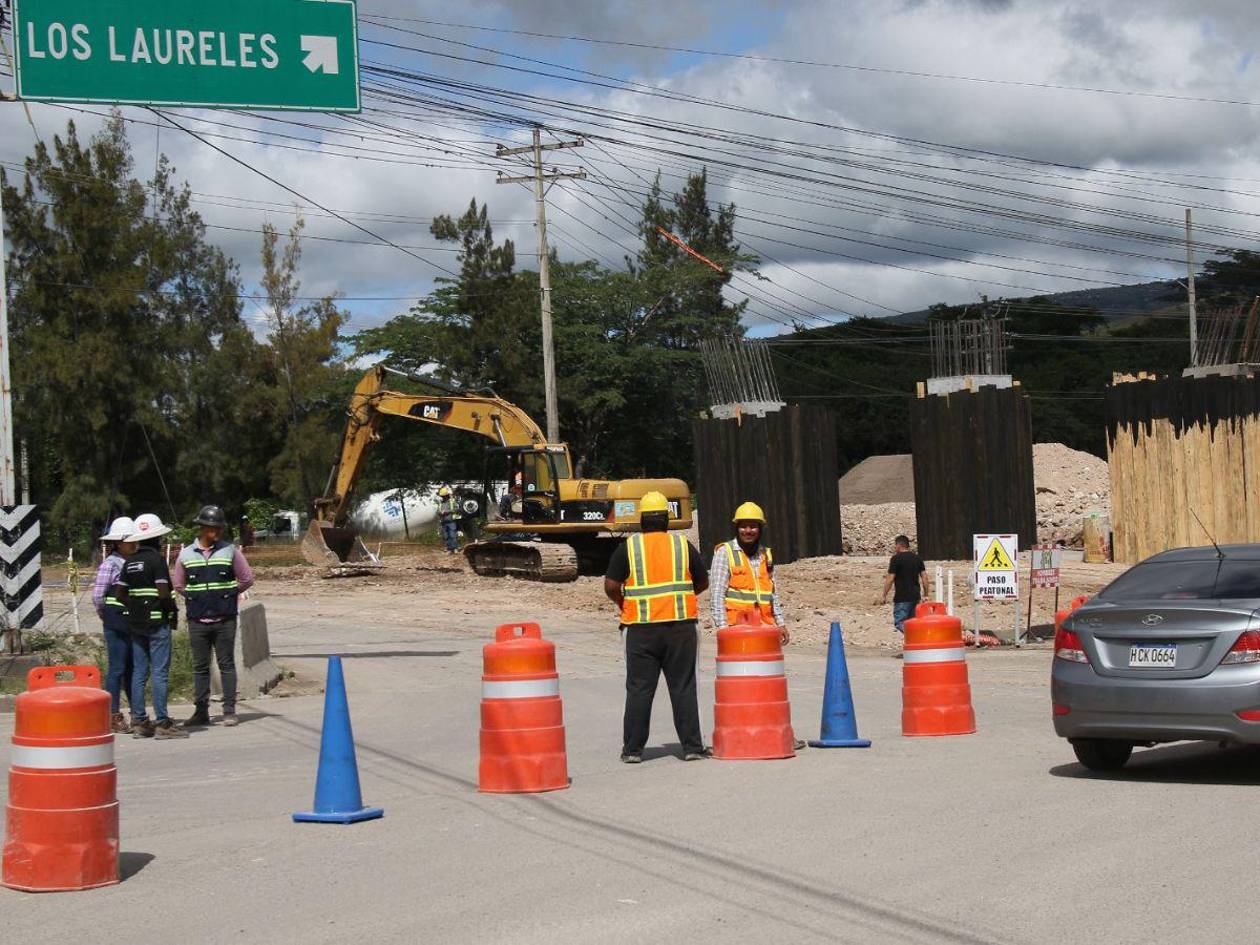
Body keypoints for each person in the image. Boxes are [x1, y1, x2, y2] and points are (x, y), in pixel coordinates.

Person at [604, 491, 710, 764]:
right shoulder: (682, 545)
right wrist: (680, 599)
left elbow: (611, 586)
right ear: (666, 519)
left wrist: (625, 605)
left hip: (640, 629)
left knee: (639, 689)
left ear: (642, 521)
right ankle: (692, 748)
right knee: (683, 687)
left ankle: (633, 751)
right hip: (680, 627)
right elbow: (702, 582)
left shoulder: (628, 547)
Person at [175, 505, 255, 728]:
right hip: (197, 620)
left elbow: (247, 579)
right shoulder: (186, 554)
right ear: (202, 528)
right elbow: (179, 584)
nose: (217, 533)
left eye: (219, 529)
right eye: (212, 529)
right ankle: (201, 711)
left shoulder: (230, 551)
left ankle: (229, 710)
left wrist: (228, 594)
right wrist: (196, 597)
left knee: (226, 664)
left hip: (225, 619)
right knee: (200, 667)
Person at [115, 513, 188, 739]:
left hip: (136, 625)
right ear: (157, 538)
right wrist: (172, 612)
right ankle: (163, 724)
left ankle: (138, 721)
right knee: (159, 672)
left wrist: (136, 608)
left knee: (139, 672)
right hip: (157, 623)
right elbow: (164, 594)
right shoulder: (156, 560)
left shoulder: (129, 562)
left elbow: (120, 594)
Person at [708, 501, 789, 646]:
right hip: (737, 629)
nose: (748, 530)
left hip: (765, 628)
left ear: (760, 529)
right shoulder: (725, 553)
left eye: (753, 526)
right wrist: (724, 629)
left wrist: (780, 623)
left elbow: (772, 595)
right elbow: (716, 595)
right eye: (743, 526)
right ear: (737, 528)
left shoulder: (766, 555)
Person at [92, 516, 137, 734]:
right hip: (116, 622)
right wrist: (106, 617)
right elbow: (98, 596)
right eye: (128, 541)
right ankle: (113, 714)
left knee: (132, 669)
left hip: (133, 622)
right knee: (117, 668)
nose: (133, 544)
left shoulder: (135, 562)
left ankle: (137, 714)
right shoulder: (110, 564)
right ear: (118, 543)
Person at [882, 534, 929, 633]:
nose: (895, 548)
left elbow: (890, 578)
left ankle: (914, 637)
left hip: (902, 598)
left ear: (899, 545)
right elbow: (924, 577)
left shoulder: (896, 559)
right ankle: (914, 642)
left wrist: (884, 594)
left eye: (895, 545)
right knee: (913, 623)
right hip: (915, 597)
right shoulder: (917, 558)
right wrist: (926, 594)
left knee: (900, 623)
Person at [438, 485, 460, 553]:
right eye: (442, 496)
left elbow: (457, 509)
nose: (443, 497)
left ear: (447, 495)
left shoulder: (452, 501)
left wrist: (447, 512)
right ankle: (449, 549)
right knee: (446, 536)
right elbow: (438, 511)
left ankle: (455, 548)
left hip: (451, 521)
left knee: (452, 535)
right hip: (444, 522)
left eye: (444, 496)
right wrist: (440, 512)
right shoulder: (441, 503)